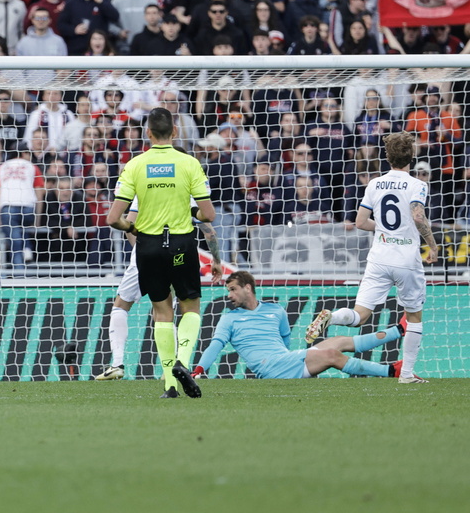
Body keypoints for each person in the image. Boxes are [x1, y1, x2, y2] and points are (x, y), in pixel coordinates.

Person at [306, 132, 438, 383]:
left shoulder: (375, 184)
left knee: (359, 316)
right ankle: (407, 374)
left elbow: (359, 222)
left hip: (379, 258)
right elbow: (418, 217)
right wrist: (432, 245)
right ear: (411, 157)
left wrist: (384, 229)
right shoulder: (418, 184)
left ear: (387, 158)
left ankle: (332, 317)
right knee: (414, 316)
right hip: (406, 259)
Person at [107, 107, 215, 398]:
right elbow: (208, 215)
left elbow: (113, 218)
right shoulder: (189, 163)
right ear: (175, 132)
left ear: (148, 134)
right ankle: (183, 360)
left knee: (161, 312)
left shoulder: (135, 165)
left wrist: (132, 225)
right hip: (181, 242)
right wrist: (188, 209)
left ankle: (169, 384)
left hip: (148, 247)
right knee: (190, 306)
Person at [96, 192, 223, 381]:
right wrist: (217, 259)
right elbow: (209, 230)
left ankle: (117, 364)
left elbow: (129, 225)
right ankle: (171, 368)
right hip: (177, 252)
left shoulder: (145, 188)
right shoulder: (185, 192)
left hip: (146, 252)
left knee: (121, 305)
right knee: (167, 313)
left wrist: (138, 251)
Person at [192, 271, 407, 380]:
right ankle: (391, 371)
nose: (229, 295)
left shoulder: (275, 310)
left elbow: (285, 341)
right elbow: (215, 345)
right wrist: (199, 370)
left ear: (247, 288)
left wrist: (292, 357)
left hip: (284, 360)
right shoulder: (229, 318)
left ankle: (398, 330)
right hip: (269, 368)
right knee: (332, 354)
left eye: (232, 289)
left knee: (339, 341)